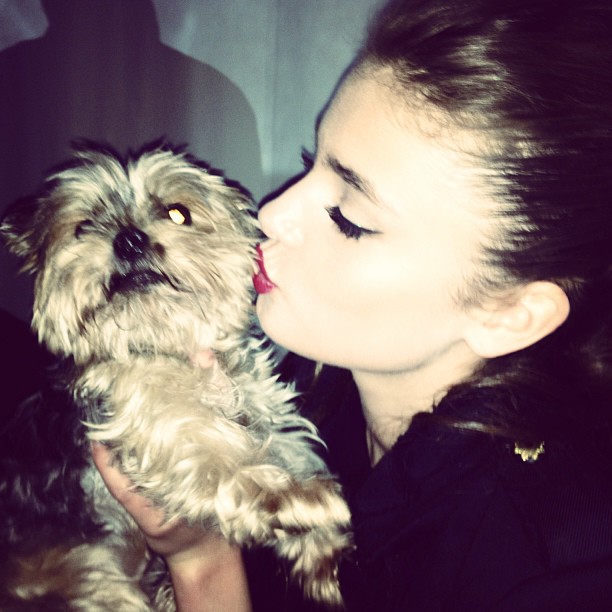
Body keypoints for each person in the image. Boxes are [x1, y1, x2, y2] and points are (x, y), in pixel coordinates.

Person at [94, 0, 612, 609]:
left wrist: (202, 561)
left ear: (509, 313)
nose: (271, 213)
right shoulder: (317, 382)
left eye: (349, 216)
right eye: (310, 165)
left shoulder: (551, 563)